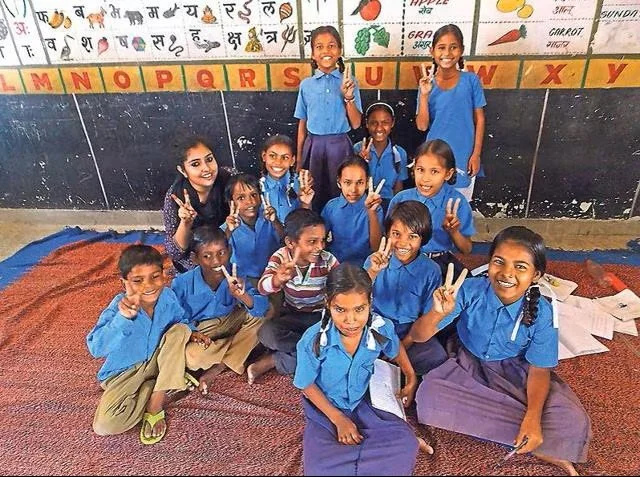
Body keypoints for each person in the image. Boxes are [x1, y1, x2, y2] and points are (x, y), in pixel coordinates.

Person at [411, 227, 592, 476]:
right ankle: (538, 440)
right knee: (431, 392)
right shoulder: (469, 290)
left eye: (520, 266)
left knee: (570, 419)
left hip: (515, 371)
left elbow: (539, 371)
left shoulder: (544, 313)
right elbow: (419, 336)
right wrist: (437, 313)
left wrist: (532, 416)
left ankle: (531, 434)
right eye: (499, 262)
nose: (507, 273)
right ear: (489, 264)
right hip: (466, 362)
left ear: (536, 275)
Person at [294, 263, 420, 475]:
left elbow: (395, 347)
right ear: (327, 304)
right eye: (340, 310)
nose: (350, 321)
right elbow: (306, 385)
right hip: (324, 409)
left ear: (370, 303)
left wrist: (410, 376)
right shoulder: (314, 340)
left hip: (363, 403)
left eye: (359, 309)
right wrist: (338, 419)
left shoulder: (380, 328)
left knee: (407, 443)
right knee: (319, 469)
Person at [87, 245, 192, 445]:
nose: (148, 285)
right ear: (124, 282)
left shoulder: (168, 297)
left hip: (157, 360)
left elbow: (181, 319)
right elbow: (96, 348)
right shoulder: (119, 307)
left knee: (180, 330)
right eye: (137, 280)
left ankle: (156, 403)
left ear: (163, 274)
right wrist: (123, 319)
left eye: (155, 276)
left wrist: (192, 332)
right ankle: (157, 386)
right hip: (124, 372)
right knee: (105, 426)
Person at [171, 226, 268, 394]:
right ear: (195, 258)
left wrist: (243, 295)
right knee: (192, 358)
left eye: (222, 253)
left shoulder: (237, 275)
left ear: (229, 251)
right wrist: (194, 333)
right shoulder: (182, 283)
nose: (216, 261)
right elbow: (176, 319)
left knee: (262, 315)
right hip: (202, 330)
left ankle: (219, 366)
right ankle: (240, 351)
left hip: (231, 320)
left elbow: (260, 308)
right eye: (207, 256)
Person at [248, 208, 339, 383]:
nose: (320, 247)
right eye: (312, 241)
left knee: (334, 340)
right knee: (266, 334)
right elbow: (262, 287)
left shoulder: (328, 260)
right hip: (292, 317)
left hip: (319, 319)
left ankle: (274, 361)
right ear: (290, 243)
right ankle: (314, 351)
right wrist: (277, 279)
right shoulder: (280, 258)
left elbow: (342, 289)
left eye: (322, 240)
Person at [365, 201, 444, 376]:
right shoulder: (373, 261)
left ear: (423, 237)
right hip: (376, 326)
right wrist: (373, 272)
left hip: (410, 331)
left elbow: (426, 315)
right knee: (354, 350)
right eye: (396, 234)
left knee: (438, 357)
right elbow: (358, 298)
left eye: (413, 236)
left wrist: (405, 344)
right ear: (387, 233)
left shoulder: (431, 270)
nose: (402, 243)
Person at [415, 24, 486, 201]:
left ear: (461, 50)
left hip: (463, 154)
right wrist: (424, 95)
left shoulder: (471, 81)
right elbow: (422, 126)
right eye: (441, 48)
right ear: (432, 51)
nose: (447, 53)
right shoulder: (426, 84)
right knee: (433, 202)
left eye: (453, 47)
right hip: (433, 157)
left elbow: (480, 119)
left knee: (458, 206)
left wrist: (476, 154)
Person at [295, 25, 363, 210]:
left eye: (332, 45)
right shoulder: (306, 85)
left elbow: (356, 123)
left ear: (340, 51)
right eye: (319, 46)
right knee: (313, 193)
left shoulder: (349, 82)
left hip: (340, 147)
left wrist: (348, 97)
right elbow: (302, 125)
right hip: (314, 147)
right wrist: (300, 161)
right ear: (312, 54)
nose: (326, 51)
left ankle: (340, 232)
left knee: (340, 193)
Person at [387, 139, 474, 279]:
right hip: (404, 261)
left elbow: (466, 249)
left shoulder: (457, 203)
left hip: (440, 263)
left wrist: (454, 232)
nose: (425, 178)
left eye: (434, 171)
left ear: (448, 174)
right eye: (420, 170)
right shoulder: (400, 199)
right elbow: (388, 239)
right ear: (413, 168)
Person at [163, 135, 230, 273]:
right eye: (195, 164)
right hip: (197, 258)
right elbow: (175, 253)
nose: (206, 168)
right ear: (182, 170)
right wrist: (186, 223)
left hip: (228, 246)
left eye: (209, 159)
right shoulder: (176, 196)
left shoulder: (229, 179)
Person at [321, 156, 384, 267]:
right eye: (347, 182)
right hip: (336, 266)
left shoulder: (376, 208)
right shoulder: (331, 207)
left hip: (366, 268)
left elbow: (376, 248)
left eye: (359, 182)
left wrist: (371, 212)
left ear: (367, 182)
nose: (353, 189)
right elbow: (319, 240)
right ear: (339, 182)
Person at [223, 173, 284, 281]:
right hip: (245, 279)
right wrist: (229, 231)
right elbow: (220, 250)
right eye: (241, 198)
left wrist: (275, 222)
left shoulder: (270, 217)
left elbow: (285, 239)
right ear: (230, 203)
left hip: (274, 275)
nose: (250, 202)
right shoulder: (227, 227)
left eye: (254, 195)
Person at [354, 102, 409, 213]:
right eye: (374, 122)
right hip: (362, 203)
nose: (379, 128)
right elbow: (353, 182)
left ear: (392, 123)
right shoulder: (358, 148)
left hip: (389, 205)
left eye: (385, 122)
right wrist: (361, 161)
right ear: (367, 124)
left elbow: (398, 188)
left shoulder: (399, 153)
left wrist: (394, 212)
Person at [258, 134, 315, 223]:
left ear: (292, 161)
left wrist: (306, 203)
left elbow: (307, 221)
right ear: (264, 156)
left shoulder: (302, 183)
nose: (278, 162)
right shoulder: (257, 187)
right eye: (272, 156)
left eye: (285, 157)